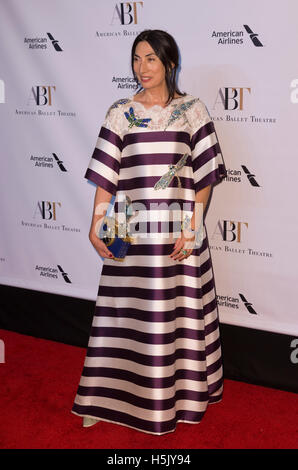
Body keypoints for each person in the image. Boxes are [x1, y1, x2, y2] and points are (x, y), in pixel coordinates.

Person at [72, 29, 226, 435]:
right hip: (129, 227)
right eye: (137, 59)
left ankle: (183, 398)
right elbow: (107, 176)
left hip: (179, 229)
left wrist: (193, 228)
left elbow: (206, 176)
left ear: (170, 63)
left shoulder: (193, 110)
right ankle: (103, 399)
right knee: (119, 317)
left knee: (179, 317)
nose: (142, 68)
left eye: (151, 59)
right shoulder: (119, 111)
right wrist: (97, 221)